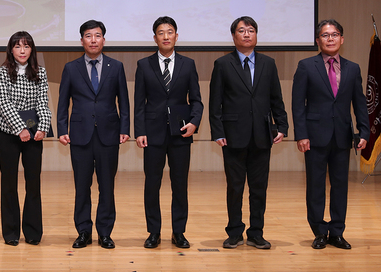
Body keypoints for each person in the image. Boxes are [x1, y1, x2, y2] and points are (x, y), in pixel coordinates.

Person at [209, 16, 288, 250]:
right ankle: (234, 232)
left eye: (251, 30)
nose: (246, 34)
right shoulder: (223, 64)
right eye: (242, 30)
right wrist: (217, 131)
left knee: (259, 188)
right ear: (233, 36)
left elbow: (276, 98)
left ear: (256, 35)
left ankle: (256, 233)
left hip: (262, 135)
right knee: (235, 188)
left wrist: (282, 126)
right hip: (233, 135)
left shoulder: (268, 64)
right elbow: (215, 102)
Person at [292, 19, 369, 250]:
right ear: (318, 40)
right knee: (315, 186)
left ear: (342, 39)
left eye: (335, 34)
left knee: (340, 186)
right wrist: (301, 134)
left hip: (342, 136)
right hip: (314, 136)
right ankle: (319, 231)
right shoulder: (306, 66)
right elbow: (298, 104)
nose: (330, 39)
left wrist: (364, 131)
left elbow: (360, 102)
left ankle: (337, 232)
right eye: (325, 35)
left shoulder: (353, 68)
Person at [57, 20, 130, 249]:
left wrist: (125, 128)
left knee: (107, 186)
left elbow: (124, 101)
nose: (93, 40)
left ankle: (105, 233)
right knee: (82, 187)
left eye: (97, 36)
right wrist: (62, 129)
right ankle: (83, 232)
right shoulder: (71, 68)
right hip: (80, 135)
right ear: (82, 41)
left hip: (109, 134)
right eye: (88, 36)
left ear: (104, 40)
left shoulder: (116, 67)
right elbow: (62, 102)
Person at [134, 16, 203, 249]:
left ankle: (178, 232)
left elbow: (196, 100)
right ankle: (154, 232)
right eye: (161, 33)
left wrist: (194, 122)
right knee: (152, 184)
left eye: (170, 32)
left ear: (176, 36)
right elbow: (139, 102)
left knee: (180, 184)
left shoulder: (188, 64)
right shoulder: (144, 65)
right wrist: (140, 131)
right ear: (155, 38)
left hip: (180, 133)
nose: (166, 36)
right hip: (152, 134)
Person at [0, 31, 52, 246]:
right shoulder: (1, 72)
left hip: (34, 135)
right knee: (9, 184)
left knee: (33, 184)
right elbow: (4, 103)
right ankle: (11, 233)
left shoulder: (40, 72)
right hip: (9, 135)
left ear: (32, 49)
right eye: (18, 46)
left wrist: (43, 128)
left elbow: (43, 102)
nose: (22, 50)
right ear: (11, 50)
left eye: (26, 46)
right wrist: (20, 129)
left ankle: (33, 232)